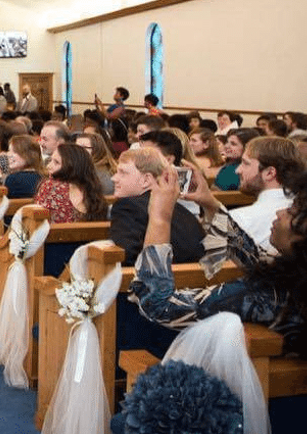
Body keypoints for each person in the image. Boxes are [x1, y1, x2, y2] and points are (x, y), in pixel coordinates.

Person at [129, 164, 305, 356]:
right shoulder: (296, 281)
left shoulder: (267, 295)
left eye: (291, 212)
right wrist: (210, 204)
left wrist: (159, 217)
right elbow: (256, 261)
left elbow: (159, 306)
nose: (280, 213)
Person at [109, 148, 205, 265]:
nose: (113, 178)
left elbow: (124, 259)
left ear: (146, 180)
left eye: (122, 173)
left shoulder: (127, 207)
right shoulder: (182, 211)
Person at [230, 136, 304, 255]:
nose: (238, 170)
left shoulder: (239, 219)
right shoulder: (302, 215)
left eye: (245, 163)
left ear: (269, 173)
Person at [35, 143, 108, 223]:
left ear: (72, 167)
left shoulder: (51, 187)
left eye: (56, 162)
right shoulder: (94, 193)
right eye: (51, 160)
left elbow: (38, 225)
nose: (49, 166)